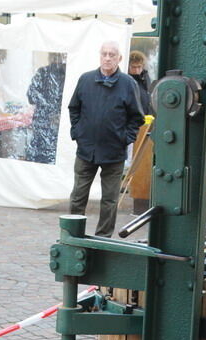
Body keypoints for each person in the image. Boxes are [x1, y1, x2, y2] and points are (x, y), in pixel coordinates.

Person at [67, 41, 145, 238]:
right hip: (86, 150)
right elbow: (74, 108)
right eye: (104, 54)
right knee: (78, 196)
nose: (108, 58)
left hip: (113, 152)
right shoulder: (85, 80)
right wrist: (78, 133)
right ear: (99, 56)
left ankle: (103, 238)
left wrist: (125, 138)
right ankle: (73, 235)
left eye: (112, 54)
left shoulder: (128, 84)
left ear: (119, 58)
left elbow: (137, 117)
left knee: (109, 200)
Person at [26, 52, 66, 163]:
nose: (55, 60)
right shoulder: (43, 72)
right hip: (43, 122)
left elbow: (31, 96)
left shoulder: (66, 74)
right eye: (53, 57)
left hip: (53, 123)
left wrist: (48, 107)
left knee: (50, 155)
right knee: (42, 154)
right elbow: (31, 95)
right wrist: (49, 106)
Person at [127, 51, 153, 115]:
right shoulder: (126, 79)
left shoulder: (145, 77)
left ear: (143, 66)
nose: (137, 70)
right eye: (133, 67)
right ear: (128, 66)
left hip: (147, 116)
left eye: (139, 67)